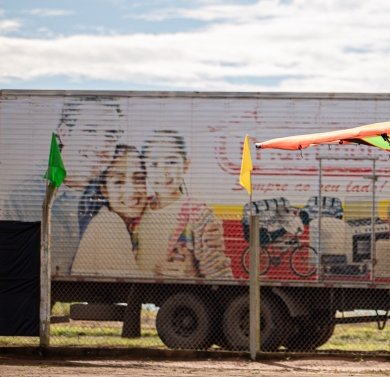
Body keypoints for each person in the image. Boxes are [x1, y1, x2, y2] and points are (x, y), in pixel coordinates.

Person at [0, 97, 123, 275]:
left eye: (110, 136)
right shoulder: (24, 198)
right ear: (64, 133)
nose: (101, 146)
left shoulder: (113, 198)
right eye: (90, 131)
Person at [136, 131, 232, 279]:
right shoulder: (137, 210)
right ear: (145, 169)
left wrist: (194, 276)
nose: (163, 172)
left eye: (171, 162)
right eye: (154, 164)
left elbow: (219, 276)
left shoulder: (199, 216)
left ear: (185, 165)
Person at [72, 146, 145, 275]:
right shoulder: (108, 223)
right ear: (104, 190)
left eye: (138, 179)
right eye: (118, 182)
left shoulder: (136, 225)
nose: (131, 190)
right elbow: (128, 282)